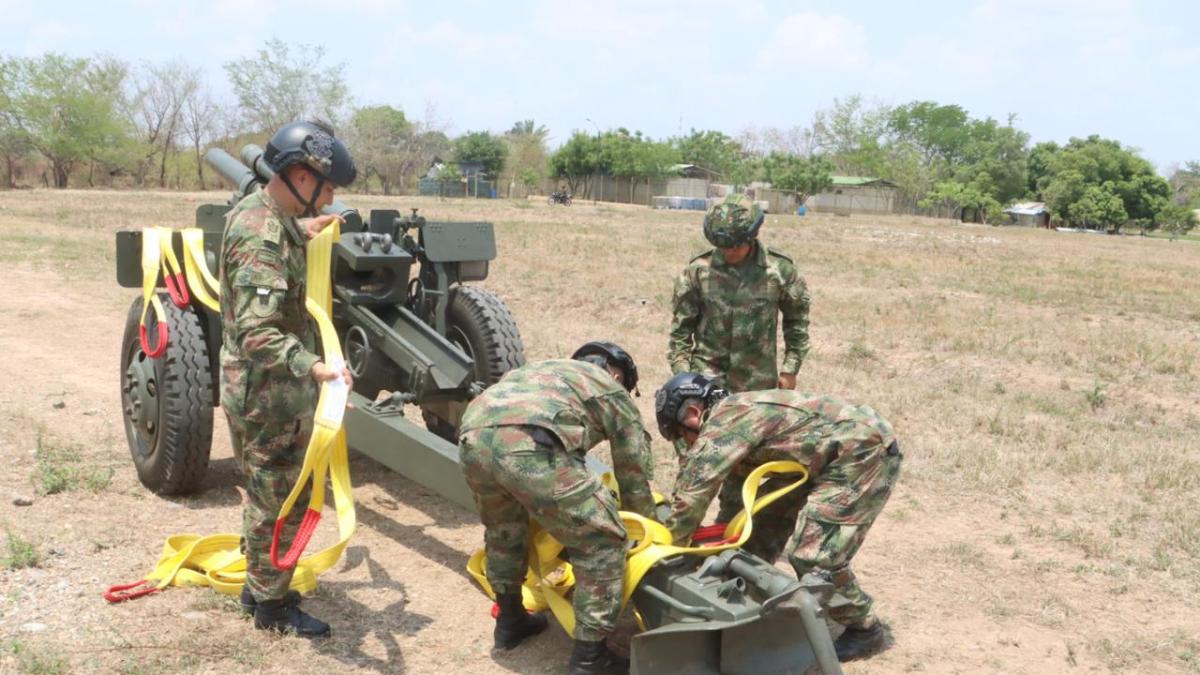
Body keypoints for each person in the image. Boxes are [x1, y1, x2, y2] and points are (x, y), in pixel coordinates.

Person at [654, 372, 902, 662]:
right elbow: (733, 501)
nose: (686, 443)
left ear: (694, 414)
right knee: (759, 530)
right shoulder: (737, 416)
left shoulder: (724, 423)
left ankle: (865, 627)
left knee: (815, 558)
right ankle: (751, 602)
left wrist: (667, 550)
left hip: (859, 451)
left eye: (683, 435)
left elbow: (693, 493)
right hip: (818, 455)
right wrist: (720, 547)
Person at [218, 120, 357, 638]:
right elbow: (258, 335)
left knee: (268, 492)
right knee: (277, 496)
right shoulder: (260, 235)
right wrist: (318, 368)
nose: (329, 198)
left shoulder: (264, 214)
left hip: (266, 389)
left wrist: (310, 228)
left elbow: (278, 237)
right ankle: (270, 610)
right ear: (301, 176)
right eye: (327, 189)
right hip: (265, 393)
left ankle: (262, 586)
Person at [458, 341, 656, 675]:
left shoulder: (537, 371)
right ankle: (591, 659)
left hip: (472, 435)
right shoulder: (610, 388)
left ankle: (510, 622)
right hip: (529, 443)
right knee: (602, 540)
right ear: (617, 373)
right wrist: (649, 531)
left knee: (505, 529)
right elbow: (632, 473)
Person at [666, 192, 812, 522]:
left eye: (734, 246)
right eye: (721, 246)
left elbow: (797, 322)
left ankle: (730, 538)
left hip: (756, 388)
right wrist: (683, 382)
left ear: (752, 236)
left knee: (746, 468)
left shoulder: (779, 271)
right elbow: (679, 333)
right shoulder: (697, 272)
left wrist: (790, 369)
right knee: (695, 464)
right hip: (705, 385)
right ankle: (682, 535)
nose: (728, 253)